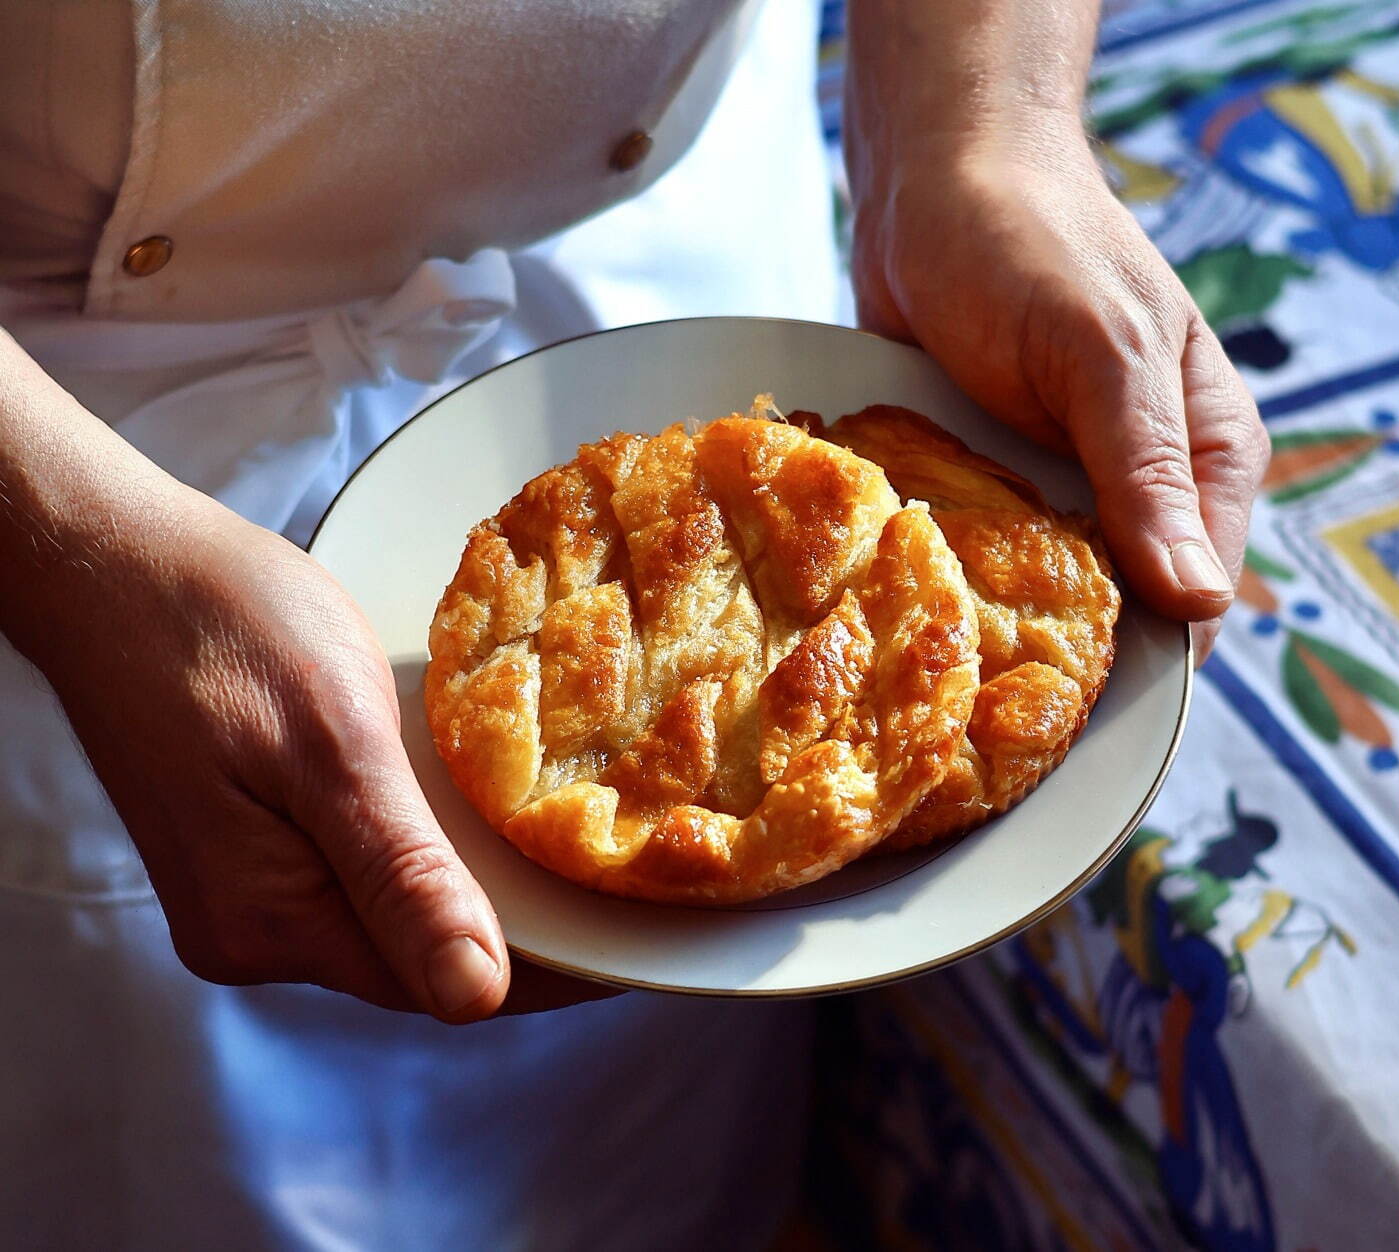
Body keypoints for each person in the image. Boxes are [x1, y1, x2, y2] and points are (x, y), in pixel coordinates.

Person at [0, 0, 1267, 1247]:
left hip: (670, 260)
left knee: (656, 1160)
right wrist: (61, 540)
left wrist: (985, 125)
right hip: (91, 442)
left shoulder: (815, 508)